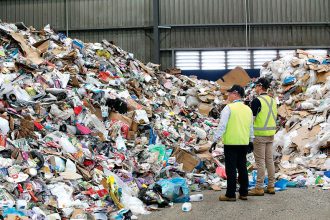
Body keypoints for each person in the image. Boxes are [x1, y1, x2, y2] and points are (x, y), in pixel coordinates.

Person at [211, 85, 254, 201]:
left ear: (235, 94)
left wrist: (215, 140)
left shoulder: (229, 108)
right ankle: (244, 193)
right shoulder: (248, 109)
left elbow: (222, 126)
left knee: (231, 169)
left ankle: (230, 194)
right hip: (244, 144)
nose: (228, 96)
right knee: (242, 168)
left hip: (231, 144)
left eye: (230, 93)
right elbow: (251, 128)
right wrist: (251, 141)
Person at [248, 78, 278, 196]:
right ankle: (271, 186)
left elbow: (252, 120)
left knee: (260, 161)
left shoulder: (257, 101)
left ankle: (259, 187)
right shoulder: (272, 101)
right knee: (269, 160)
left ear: (260, 86)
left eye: (256, 86)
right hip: (270, 134)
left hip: (259, 135)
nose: (255, 88)